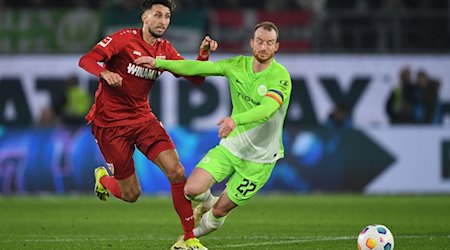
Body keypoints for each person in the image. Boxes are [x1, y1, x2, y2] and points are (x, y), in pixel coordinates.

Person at [134, 21, 292, 247]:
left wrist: (234, 120)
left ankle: (189, 239)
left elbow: (267, 110)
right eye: (259, 41)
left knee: (220, 210)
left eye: (269, 43)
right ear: (251, 43)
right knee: (191, 189)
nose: (263, 47)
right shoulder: (237, 65)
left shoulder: (280, 77)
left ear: (276, 47)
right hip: (231, 148)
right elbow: (197, 69)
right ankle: (206, 205)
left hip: (260, 160)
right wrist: (159, 63)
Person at [78, 1, 218, 249]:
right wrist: (103, 73)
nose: (162, 21)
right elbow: (87, 59)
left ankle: (189, 239)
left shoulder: (165, 49)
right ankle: (103, 180)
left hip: (143, 119)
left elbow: (196, 79)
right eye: (157, 15)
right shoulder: (123, 40)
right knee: (131, 194)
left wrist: (204, 54)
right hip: (110, 125)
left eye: (167, 16)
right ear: (144, 17)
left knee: (176, 171)